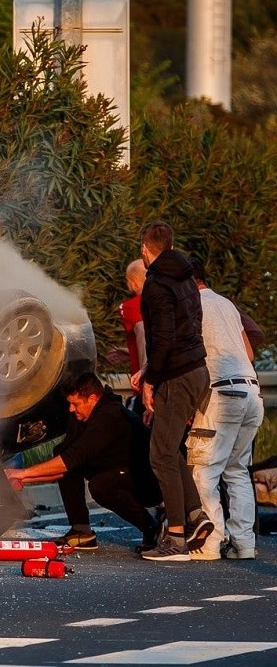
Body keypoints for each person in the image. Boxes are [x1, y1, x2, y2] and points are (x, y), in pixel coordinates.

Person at [4, 373, 161, 552]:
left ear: (93, 398)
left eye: (76, 404)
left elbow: (70, 460)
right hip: (116, 469)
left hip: (147, 481)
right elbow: (66, 462)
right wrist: (22, 478)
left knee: (100, 486)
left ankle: (152, 527)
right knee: (61, 452)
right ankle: (81, 531)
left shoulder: (110, 415)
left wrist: (22, 473)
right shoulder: (82, 415)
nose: (71, 409)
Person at [131, 221, 213, 562]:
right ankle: (195, 515)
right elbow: (188, 327)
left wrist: (152, 379)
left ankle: (177, 539)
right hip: (197, 369)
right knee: (168, 447)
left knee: (160, 453)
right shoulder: (187, 277)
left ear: (145, 250)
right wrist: (150, 370)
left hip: (177, 375)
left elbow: (162, 338)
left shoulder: (155, 285)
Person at [185, 258, 264, 560]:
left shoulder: (193, 306)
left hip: (223, 392)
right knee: (237, 471)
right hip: (251, 390)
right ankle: (244, 544)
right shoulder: (227, 304)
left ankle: (210, 543)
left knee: (205, 469)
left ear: (190, 283)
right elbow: (249, 351)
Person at [116, 259, 149, 416]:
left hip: (147, 384)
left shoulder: (130, 306)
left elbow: (143, 334)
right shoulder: (167, 301)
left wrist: (145, 375)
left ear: (134, 283)